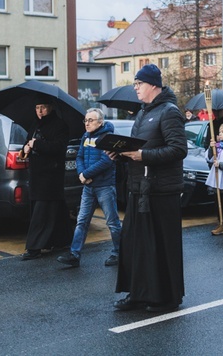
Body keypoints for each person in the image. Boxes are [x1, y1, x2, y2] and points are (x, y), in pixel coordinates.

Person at [114, 64, 187, 313]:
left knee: (161, 246)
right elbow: (137, 149)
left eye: (139, 84)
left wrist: (143, 154)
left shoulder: (170, 112)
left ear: (154, 85)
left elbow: (178, 150)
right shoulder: (143, 112)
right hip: (139, 188)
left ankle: (166, 297)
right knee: (136, 245)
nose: (135, 88)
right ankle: (138, 294)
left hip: (161, 191)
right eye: (135, 84)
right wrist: (121, 154)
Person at [57, 108, 121, 268]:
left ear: (100, 122)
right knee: (81, 221)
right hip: (88, 187)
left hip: (104, 186)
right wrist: (81, 174)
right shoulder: (85, 136)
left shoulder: (108, 138)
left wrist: (85, 174)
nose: (87, 123)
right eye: (85, 120)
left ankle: (119, 253)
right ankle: (74, 254)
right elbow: (79, 156)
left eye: (90, 120)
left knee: (112, 222)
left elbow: (106, 161)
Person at [19, 99, 72, 260]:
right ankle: (62, 240)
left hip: (51, 175)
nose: (40, 111)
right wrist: (25, 148)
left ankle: (34, 247)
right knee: (55, 209)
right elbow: (28, 143)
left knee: (42, 212)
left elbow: (58, 147)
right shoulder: (35, 124)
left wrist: (37, 145)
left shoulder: (59, 125)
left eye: (43, 108)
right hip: (36, 174)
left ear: (50, 108)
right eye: (37, 108)